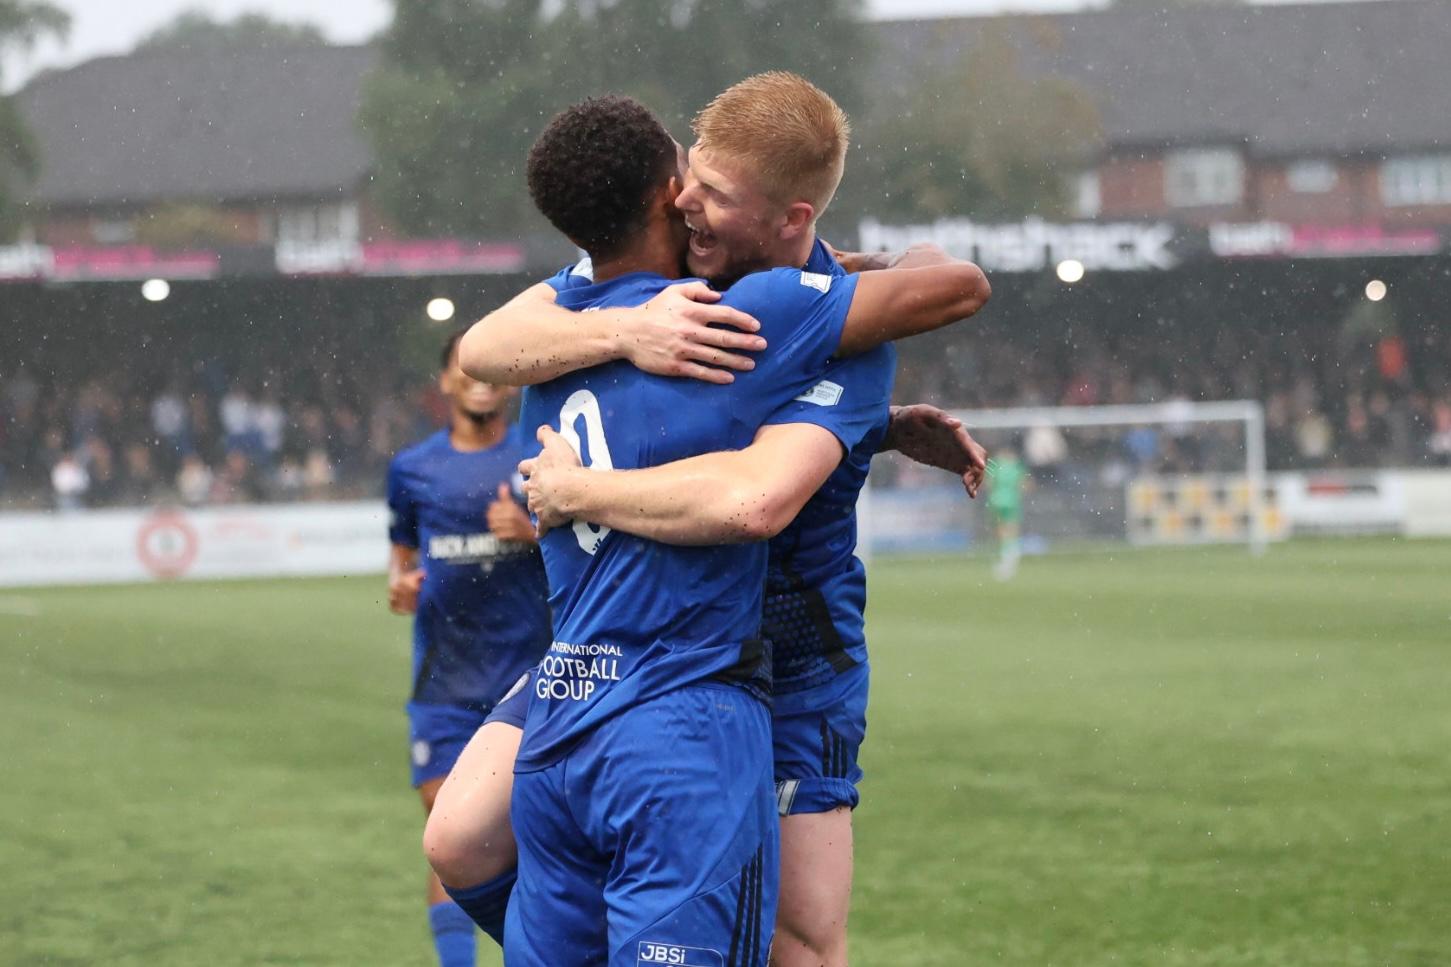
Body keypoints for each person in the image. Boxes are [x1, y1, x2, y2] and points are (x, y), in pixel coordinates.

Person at [434, 87, 987, 967]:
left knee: (796, 940)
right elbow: (485, 348)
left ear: (787, 215)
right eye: (689, 177)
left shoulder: (821, 320)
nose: (688, 201)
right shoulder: (643, 295)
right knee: (459, 836)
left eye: (715, 192)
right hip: (637, 644)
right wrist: (625, 327)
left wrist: (579, 490)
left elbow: (753, 498)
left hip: (790, 656)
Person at [385, 332, 553, 967]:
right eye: (465, 368)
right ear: (446, 383)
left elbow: (589, 552)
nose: (480, 379)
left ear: (509, 380)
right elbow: (402, 560)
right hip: (445, 687)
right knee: (452, 835)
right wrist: (399, 586)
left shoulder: (539, 457)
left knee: (526, 841)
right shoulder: (412, 469)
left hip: (532, 682)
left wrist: (534, 531)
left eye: (490, 368)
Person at [985, 449, 1030, 581]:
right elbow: (1026, 484)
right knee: (1012, 529)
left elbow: (987, 482)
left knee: (1001, 530)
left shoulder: (995, 464)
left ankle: (1006, 558)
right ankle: (1011, 555)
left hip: (996, 500)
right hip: (1012, 500)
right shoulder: (1016, 466)